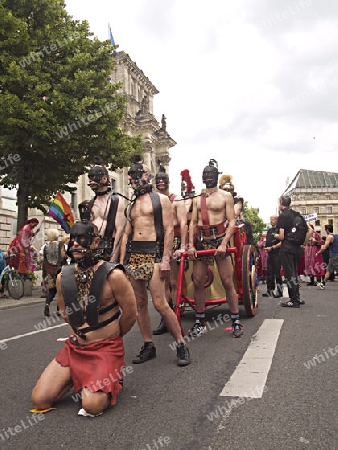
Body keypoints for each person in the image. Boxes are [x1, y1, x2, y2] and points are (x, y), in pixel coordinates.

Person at [31, 220, 137, 417]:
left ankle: (112, 377)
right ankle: (77, 377)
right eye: (73, 240)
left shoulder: (114, 275)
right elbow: (66, 314)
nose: (76, 245)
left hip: (106, 349)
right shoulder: (64, 276)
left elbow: (130, 314)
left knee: (92, 406)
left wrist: (111, 337)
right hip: (75, 349)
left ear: (95, 242)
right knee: (40, 400)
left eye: (82, 240)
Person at [119, 160, 191, 366]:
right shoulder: (131, 204)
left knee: (160, 303)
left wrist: (166, 258)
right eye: (131, 176)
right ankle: (148, 345)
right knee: (140, 303)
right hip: (135, 255)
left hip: (155, 254)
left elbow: (169, 229)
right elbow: (126, 234)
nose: (133, 180)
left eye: (136, 175)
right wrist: (123, 262)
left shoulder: (160, 200)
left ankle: (180, 344)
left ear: (146, 176)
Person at [187, 159, 243, 338]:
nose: (208, 177)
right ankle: (200, 321)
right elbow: (193, 223)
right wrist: (189, 244)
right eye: (205, 175)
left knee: (227, 281)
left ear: (216, 177)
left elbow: (232, 221)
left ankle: (235, 320)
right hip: (202, 241)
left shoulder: (226, 196)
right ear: (202, 178)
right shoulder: (197, 199)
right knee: (197, 282)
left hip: (219, 239)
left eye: (211, 175)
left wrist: (224, 243)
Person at [152, 165, 188, 335]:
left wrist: (182, 246)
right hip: (157, 242)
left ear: (168, 182)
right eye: (157, 180)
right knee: (162, 282)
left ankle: (176, 313)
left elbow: (183, 223)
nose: (160, 183)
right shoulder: (152, 201)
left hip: (173, 240)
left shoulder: (177, 200)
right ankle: (166, 318)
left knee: (173, 281)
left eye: (163, 180)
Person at [78, 157, 125, 262]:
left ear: (104, 179)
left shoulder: (116, 200)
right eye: (89, 178)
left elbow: (120, 232)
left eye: (94, 177)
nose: (91, 181)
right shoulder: (89, 203)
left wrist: (113, 258)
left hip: (108, 249)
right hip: (91, 249)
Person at [274, 196, 311, 308]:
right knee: (295, 273)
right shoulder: (297, 214)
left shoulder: (283, 216)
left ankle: (293, 300)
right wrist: (303, 244)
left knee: (290, 274)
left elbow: (281, 236)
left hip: (287, 247)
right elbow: (310, 231)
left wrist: (274, 235)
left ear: (281, 203)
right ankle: (297, 297)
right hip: (296, 247)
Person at [42, 229, 67, 317]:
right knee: (60, 291)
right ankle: (58, 310)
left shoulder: (46, 246)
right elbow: (64, 256)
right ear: (56, 236)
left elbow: (44, 260)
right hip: (59, 270)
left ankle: (47, 304)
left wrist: (44, 274)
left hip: (49, 271)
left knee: (51, 291)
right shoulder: (60, 245)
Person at [262, 216, 283, 298]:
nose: (271, 221)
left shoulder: (279, 230)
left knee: (277, 273)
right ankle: (269, 290)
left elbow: (282, 242)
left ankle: (279, 291)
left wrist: (272, 247)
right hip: (269, 253)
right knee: (269, 272)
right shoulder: (269, 231)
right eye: (270, 219)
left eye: (273, 219)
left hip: (277, 253)